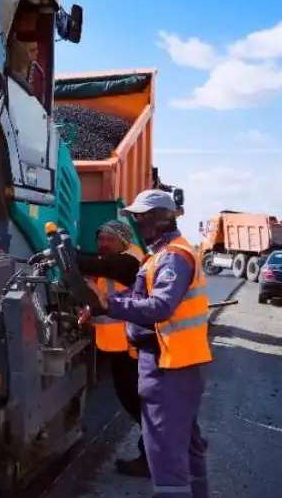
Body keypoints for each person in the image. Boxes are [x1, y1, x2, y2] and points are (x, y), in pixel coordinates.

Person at [92, 189, 212, 498]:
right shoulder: (161, 254)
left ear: (158, 219)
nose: (136, 224)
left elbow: (159, 307)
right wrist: (104, 304)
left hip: (169, 364)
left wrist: (109, 306)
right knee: (186, 445)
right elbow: (138, 298)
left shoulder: (173, 256)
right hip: (177, 362)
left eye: (140, 218)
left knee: (166, 452)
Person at [78, 220, 148, 477]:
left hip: (133, 345)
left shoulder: (130, 261)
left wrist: (65, 255)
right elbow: (103, 297)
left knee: (139, 402)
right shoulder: (112, 261)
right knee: (131, 398)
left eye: (109, 239)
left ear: (123, 240)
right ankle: (157, 454)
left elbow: (104, 267)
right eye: (100, 238)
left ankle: (155, 457)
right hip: (119, 343)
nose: (103, 244)